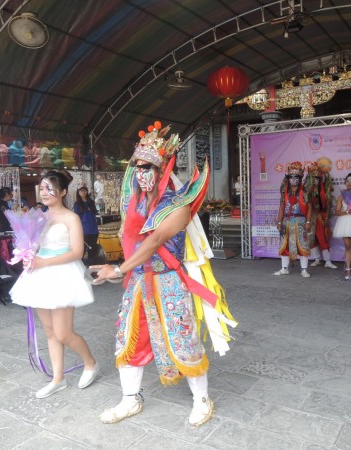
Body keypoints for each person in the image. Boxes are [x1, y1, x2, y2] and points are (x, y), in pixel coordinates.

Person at [92, 121, 220, 427]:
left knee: (182, 338)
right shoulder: (135, 202)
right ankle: (129, 399)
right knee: (128, 338)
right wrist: (125, 270)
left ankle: (202, 399)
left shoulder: (178, 206)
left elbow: (153, 242)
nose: (140, 173)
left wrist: (117, 268)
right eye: (136, 167)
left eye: (147, 166)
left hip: (169, 281)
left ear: (162, 170)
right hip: (138, 281)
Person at [9, 170, 98, 399]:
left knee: (63, 333)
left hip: (63, 273)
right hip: (40, 273)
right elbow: (32, 243)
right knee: (49, 331)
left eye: (50, 188)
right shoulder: (39, 216)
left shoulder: (71, 217)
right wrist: (27, 254)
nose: (45, 192)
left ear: (63, 192)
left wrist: (44, 261)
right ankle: (58, 378)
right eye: (42, 187)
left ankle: (90, 362)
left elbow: (77, 251)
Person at [274, 161, 313, 278]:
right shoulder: (284, 193)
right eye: (291, 177)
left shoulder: (305, 192)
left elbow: (310, 207)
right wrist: (279, 222)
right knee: (284, 246)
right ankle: (284, 268)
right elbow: (281, 207)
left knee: (302, 245)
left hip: (300, 221)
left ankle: (304, 270)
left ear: (300, 178)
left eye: (296, 177)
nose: (293, 180)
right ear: (288, 179)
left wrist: (308, 221)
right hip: (286, 222)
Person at [305, 159, 337, 269]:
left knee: (322, 238)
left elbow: (327, 204)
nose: (315, 181)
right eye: (313, 178)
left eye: (317, 178)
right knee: (311, 239)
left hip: (320, 216)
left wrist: (327, 216)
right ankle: (317, 259)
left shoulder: (324, 191)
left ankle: (327, 261)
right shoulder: (306, 191)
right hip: (309, 217)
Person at [73, 186, 100, 261]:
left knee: (92, 249)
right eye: (81, 191)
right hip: (84, 230)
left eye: (85, 190)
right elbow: (76, 217)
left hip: (94, 230)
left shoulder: (91, 202)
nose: (83, 192)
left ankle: (91, 266)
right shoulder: (77, 204)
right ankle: (81, 266)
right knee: (82, 249)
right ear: (78, 192)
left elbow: (95, 211)